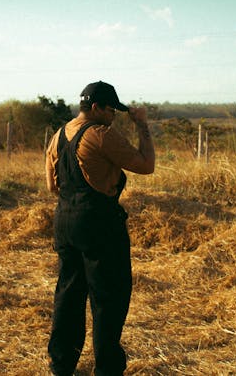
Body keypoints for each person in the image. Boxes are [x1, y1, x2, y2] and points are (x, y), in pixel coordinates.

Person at [45, 81, 155, 376]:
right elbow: (146, 164)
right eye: (111, 110)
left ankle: (61, 364)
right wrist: (142, 125)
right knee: (109, 298)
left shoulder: (58, 136)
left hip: (65, 221)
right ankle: (106, 369)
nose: (114, 116)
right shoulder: (100, 134)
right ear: (96, 108)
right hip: (99, 224)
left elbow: (51, 185)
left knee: (68, 294)